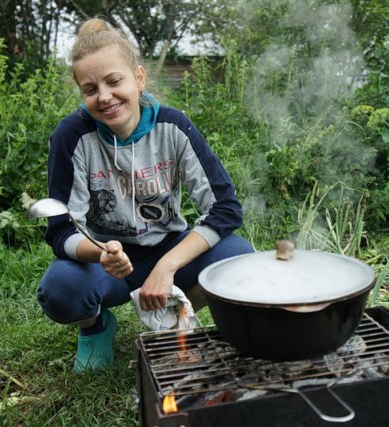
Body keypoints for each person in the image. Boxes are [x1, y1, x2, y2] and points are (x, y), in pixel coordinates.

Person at [37, 17, 254, 373]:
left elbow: (225, 209)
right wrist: (101, 253)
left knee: (239, 258)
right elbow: (60, 230)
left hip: (169, 249)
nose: (104, 96)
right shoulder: (71, 136)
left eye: (114, 81)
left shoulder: (174, 126)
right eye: (90, 89)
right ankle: (95, 327)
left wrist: (168, 266)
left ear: (138, 78)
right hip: (107, 264)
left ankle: (175, 313)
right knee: (60, 288)